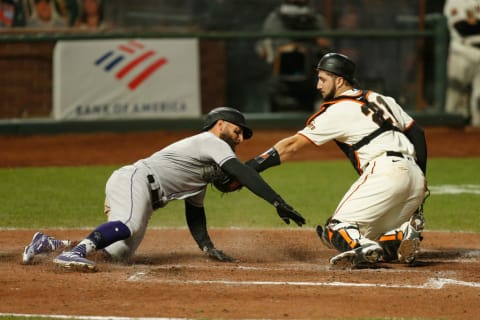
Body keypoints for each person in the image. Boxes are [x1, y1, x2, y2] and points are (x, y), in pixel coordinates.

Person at [22, 107, 306, 271]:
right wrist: (276, 201)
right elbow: (240, 171)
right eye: (238, 131)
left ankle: (49, 244)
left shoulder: (201, 171)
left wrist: (207, 247)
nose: (241, 138)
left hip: (143, 192)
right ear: (220, 124)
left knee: (117, 254)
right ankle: (73, 253)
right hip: (135, 179)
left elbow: (195, 213)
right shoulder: (210, 140)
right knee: (128, 224)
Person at [245, 53, 428, 268]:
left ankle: (363, 247)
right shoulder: (381, 98)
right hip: (415, 177)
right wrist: (422, 179)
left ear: (339, 80)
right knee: (367, 234)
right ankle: (399, 235)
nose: (318, 85)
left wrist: (249, 168)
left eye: (323, 79)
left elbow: (291, 146)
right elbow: (417, 133)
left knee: (336, 229)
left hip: (386, 171)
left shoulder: (338, 110)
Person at [256, 0, 332, 112]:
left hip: (309, 77)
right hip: (281, 77)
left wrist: (312, 47)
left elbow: (327, 47)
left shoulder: (315, 19)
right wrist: (280, 50)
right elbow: (263, 48)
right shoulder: (275, 19)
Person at [443, 0, 480, 127]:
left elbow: (473, 25)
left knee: (478, 98)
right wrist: (472, 24)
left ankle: (475, 133)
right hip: (462, 51)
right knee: (455, 97)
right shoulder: (455, 1)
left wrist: (475, 22)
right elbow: (463, 27)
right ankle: (447, 136)